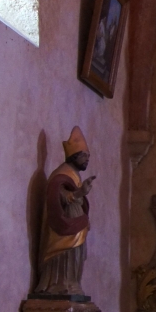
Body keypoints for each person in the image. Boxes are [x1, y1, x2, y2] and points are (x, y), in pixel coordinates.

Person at [35, 127, 95, 297]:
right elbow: (59, 198)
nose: (87, 160)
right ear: (74, 156)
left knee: (77, 254)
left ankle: (72, 282)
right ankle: (58, 284)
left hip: (75, 224)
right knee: (65, 254)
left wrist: (81, 194)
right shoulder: (61, 175)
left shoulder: (74, 174)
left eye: (88, 157)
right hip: (64, 226)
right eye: (85, 156)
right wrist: (79, 193)